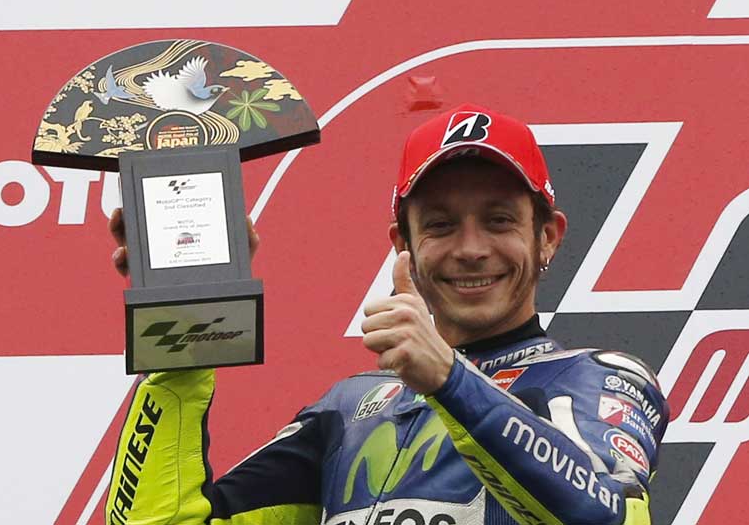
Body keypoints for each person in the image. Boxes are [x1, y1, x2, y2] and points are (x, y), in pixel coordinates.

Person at [105, 104, 668, 525]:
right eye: (441, 225)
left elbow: (608, 514)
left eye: (498, 221)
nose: (471, 248)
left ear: (548, 237)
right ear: (404, 244)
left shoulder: (597, 378)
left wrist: (451, 381)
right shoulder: (347, 410)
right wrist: (186, 329)